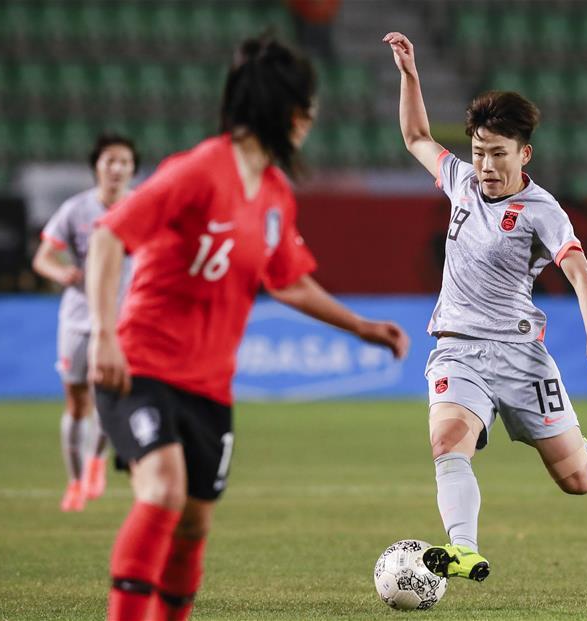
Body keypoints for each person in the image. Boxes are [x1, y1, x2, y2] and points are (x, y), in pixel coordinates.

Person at [87, 35, 409, 621]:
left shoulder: (276, 197)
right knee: (162, 489)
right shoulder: (197, 171)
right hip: (142, 367)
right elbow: (110, 235)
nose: (311, 121)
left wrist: (360, 326)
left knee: (193, 525)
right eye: (307, 108)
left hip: (209, 387)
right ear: (287, 112)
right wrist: (104, 335)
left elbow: (286, 279)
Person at [383, 32, 587, 582]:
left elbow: (578, 269)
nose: (486, 164)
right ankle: (463, 549)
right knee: (447, 441)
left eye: (498, 153)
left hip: (519, 356)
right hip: (458, 349)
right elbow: (416, 135)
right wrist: (410, 74)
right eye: (479, 151)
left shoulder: (542, 210)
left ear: (524, 154)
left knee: (575, 480)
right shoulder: (461, 183)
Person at [33, 132, 139, 512]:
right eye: (109, 160)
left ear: (132, 169)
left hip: (123, 320)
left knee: (108, 398)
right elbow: (43, 257)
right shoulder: (76, 210)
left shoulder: (142, 208)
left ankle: (96, 463)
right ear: (97, 166)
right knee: (77, 403)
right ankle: (75, 481)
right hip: (78, 319)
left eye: (124, 162)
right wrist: (60, 274)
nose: (116, 168)